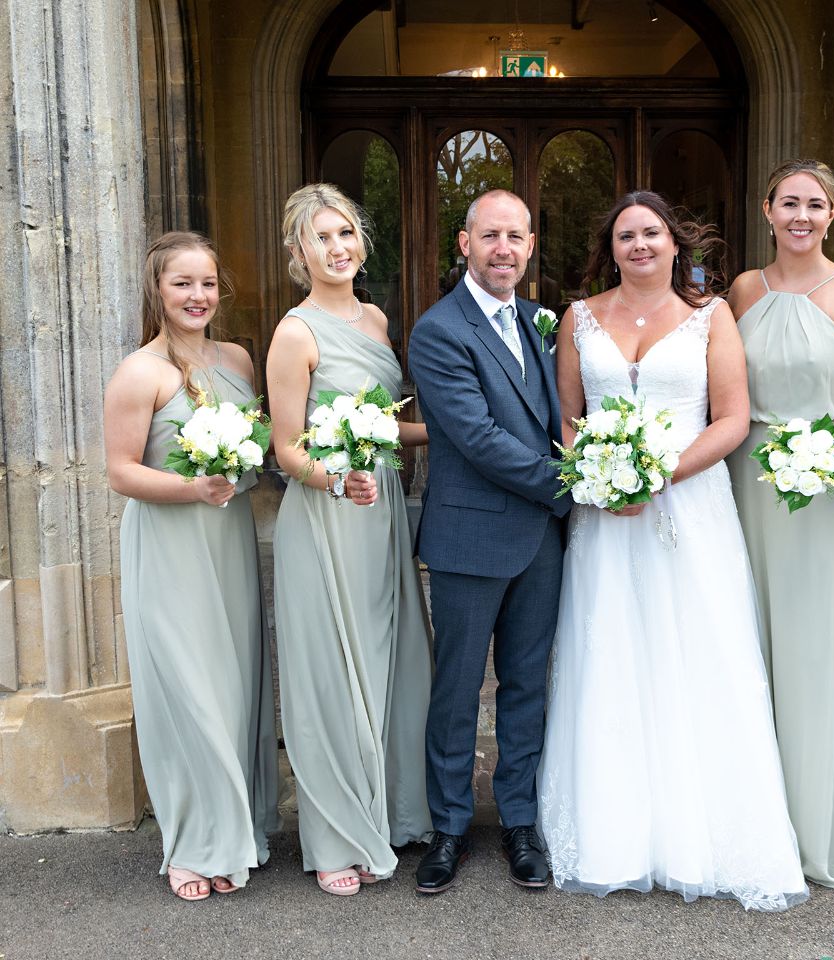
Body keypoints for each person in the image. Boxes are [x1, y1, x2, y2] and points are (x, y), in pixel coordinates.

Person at [538, 191, 809, 911]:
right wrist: (596, 475)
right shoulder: (580, 318)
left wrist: (659, 474)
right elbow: (569, 419)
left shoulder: (711, 316)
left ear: (674, 241)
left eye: (651, 233)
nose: (639, 246)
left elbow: (733, 419)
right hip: (604, 518)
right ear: (610, 247)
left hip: (688, 511)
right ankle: (615, 834)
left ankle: (705, 836)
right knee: (612, 657)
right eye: (625, 236)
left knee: (697, 654)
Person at [725, 160, 834, 888]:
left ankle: (818, 825)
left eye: (814, 205)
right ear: (766, 210)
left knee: (816, 646)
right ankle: (750, 821)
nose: (800, 215)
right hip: (748, 480)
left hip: (821, 486)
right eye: (788, 202)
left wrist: (828, 459)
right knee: (749, 637)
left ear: (833, 216)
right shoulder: (742, 291)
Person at [266, 183, 433, 897]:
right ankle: (335, 836)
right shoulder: (294, 333)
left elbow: (387, 425)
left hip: (383, 508)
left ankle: (391, 814)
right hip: (329, 513)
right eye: (320, 238)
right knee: (333, 671)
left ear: (361, 242)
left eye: (345, 234)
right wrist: (336, 482)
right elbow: (285, 449)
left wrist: (457, 434)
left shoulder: (374, 317)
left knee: (390, 658)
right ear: (298, 252)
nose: (337, 248)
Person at [104, 231, 278, 901]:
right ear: (158, 291)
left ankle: (234, 831)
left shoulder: (237, 358)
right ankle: (193, 844)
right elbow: (120, 472)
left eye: (207, 283)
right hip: (171, 544)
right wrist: (192, 489)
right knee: (188, 691)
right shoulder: (139, 372)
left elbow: (257, 446)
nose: (198, 295)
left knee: (232, 684)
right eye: (183, 284)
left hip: (226, 541)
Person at [407, 189, 571, 894]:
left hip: (540, 540)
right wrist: (572, 484)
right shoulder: (438, 330)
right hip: (472, 534)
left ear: (531, 246)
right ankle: (447, 828)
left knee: (529, 684)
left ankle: (519, 821)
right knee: (458, 688)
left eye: (516, 235)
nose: (503, 247)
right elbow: (475, 437)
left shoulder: (543, 322)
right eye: (490, 235)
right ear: (464, 245)